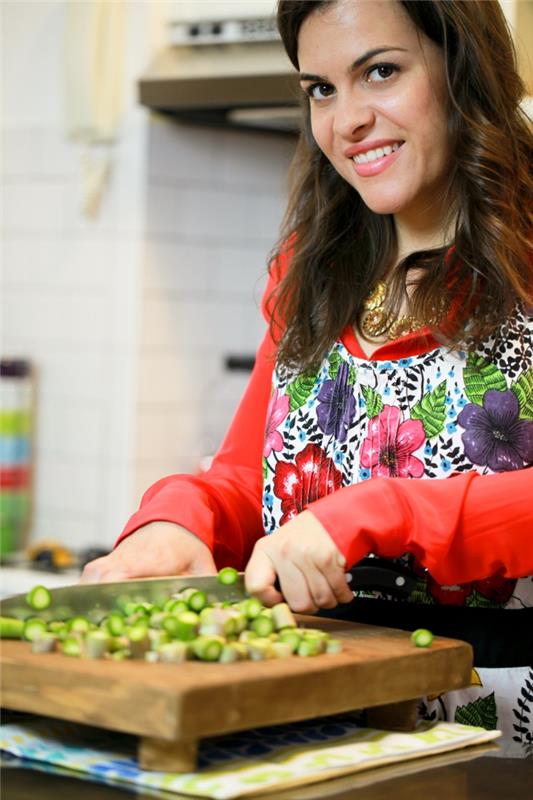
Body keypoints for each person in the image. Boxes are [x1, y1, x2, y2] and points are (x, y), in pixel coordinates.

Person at [82, 1, 533, 756]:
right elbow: (243, 477)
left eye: (380, 71)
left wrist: (384, 510)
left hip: (499, 731)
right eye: (319, 88)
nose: (346, 120)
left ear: (463, 68)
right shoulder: (311, 271)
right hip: (322, 714)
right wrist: (174, 523)